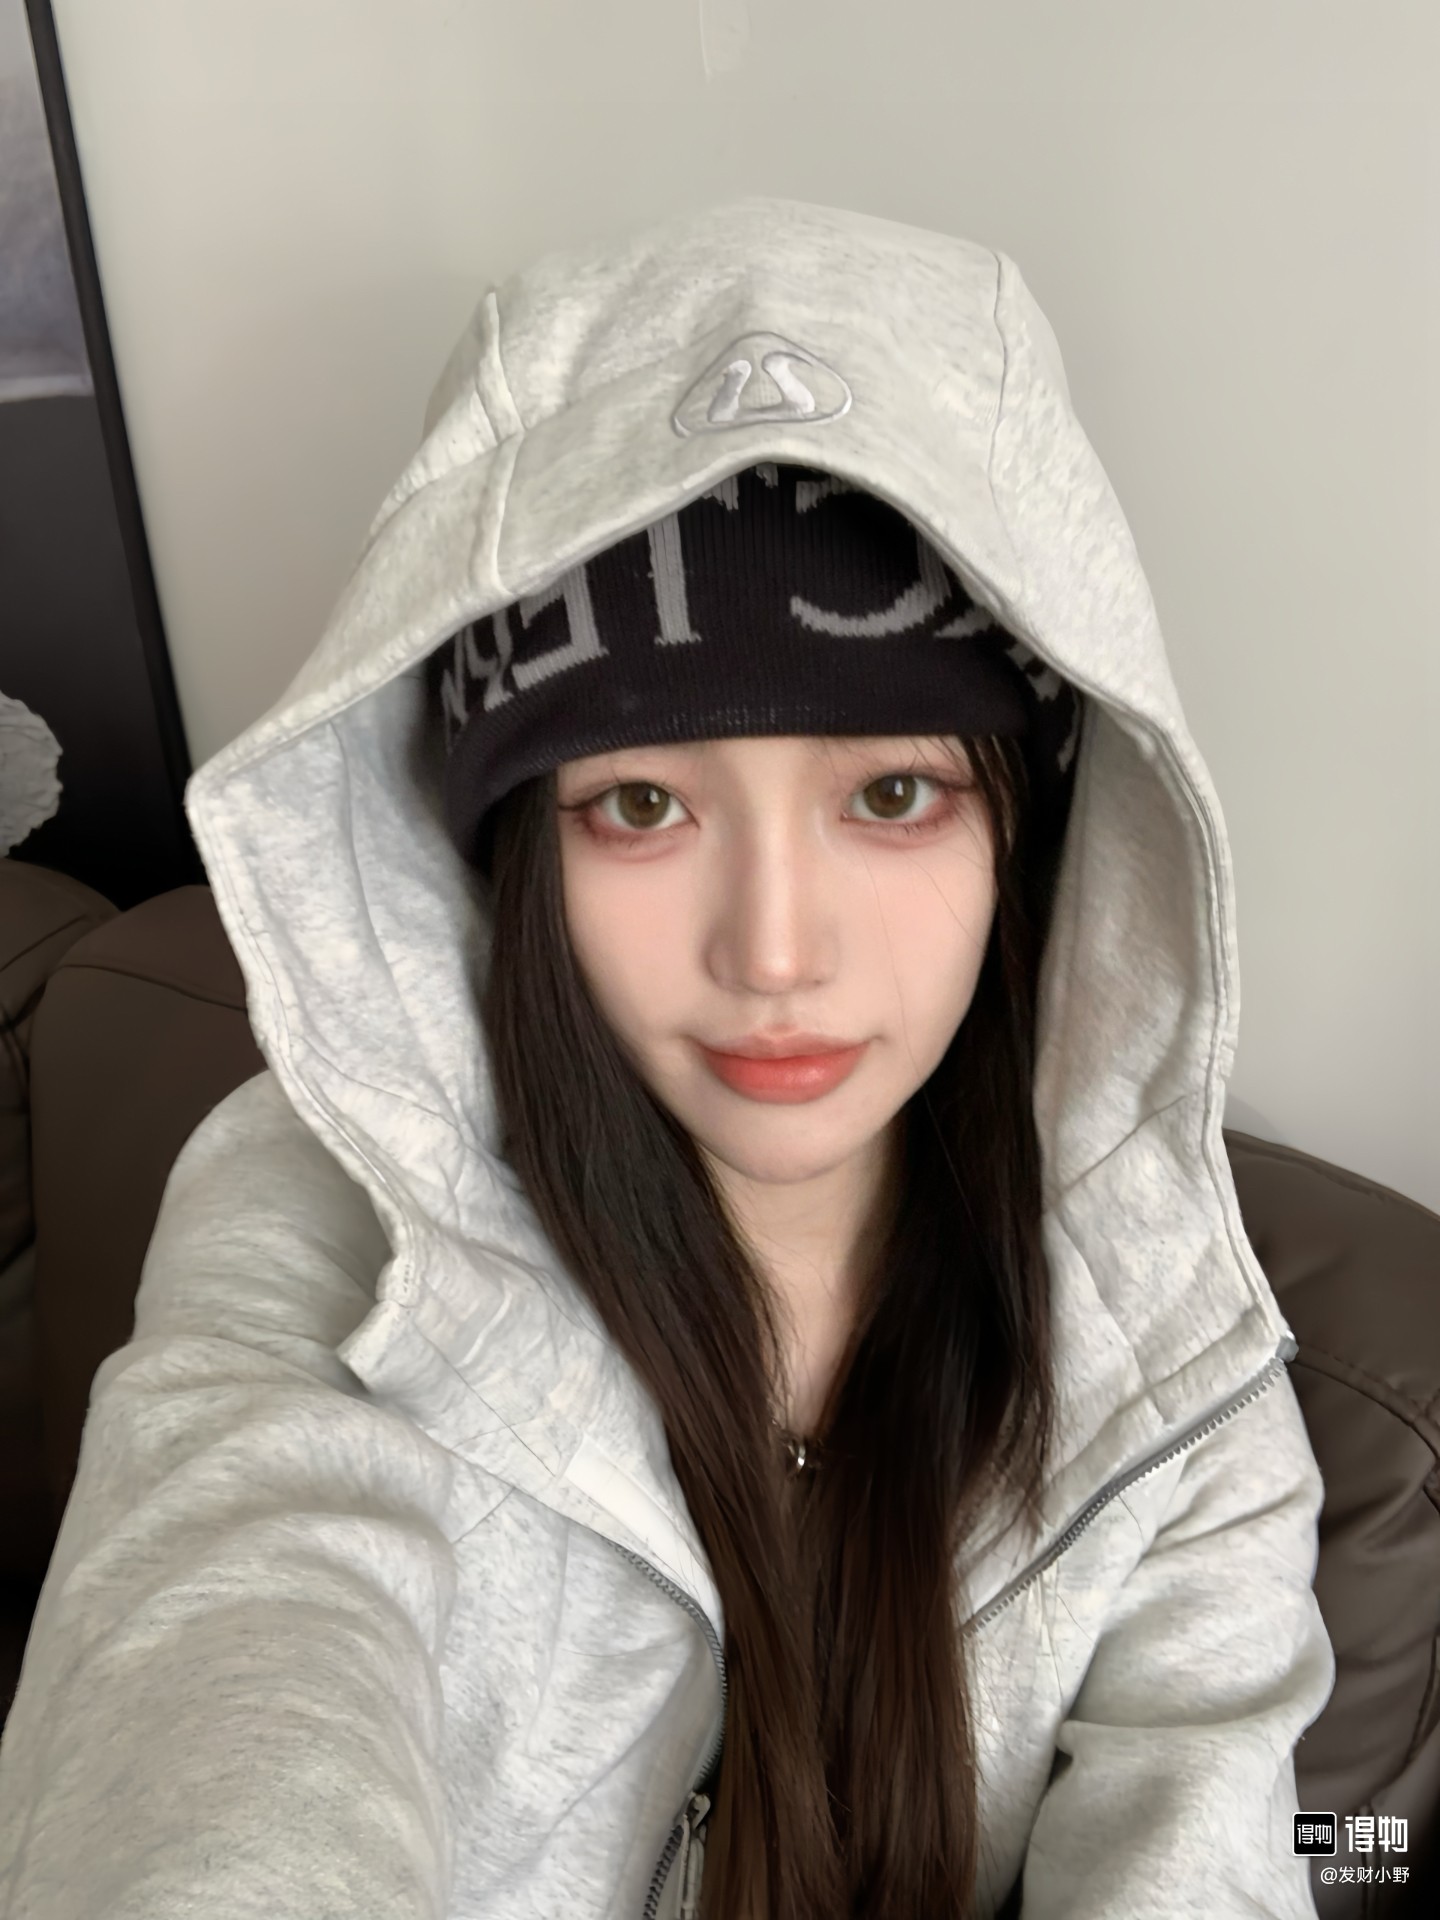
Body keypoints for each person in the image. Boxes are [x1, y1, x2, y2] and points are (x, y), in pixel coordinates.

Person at [0, 197, 1335, 1919]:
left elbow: (1232, 1842)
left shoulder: (1164, 1339)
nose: (772, 953)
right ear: (518, 849)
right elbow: (231, 1651)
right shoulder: (327, 1226)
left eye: (893, 794)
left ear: (1031, 830)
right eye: (639, 804)